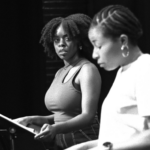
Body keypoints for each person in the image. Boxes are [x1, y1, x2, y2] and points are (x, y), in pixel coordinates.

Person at [65, 5, 150, 150]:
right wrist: (82, 147)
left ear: (123, 41)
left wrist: (104, 149)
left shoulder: (144, 68)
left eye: (98, 46)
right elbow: (118, 139)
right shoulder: (124, 71)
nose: (94, 54)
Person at [14, 14, 101, 150]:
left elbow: (88, 116)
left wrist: (55, 128)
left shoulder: (87, 69)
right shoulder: (60, 73)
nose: (61, 43)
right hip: (59, 144)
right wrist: (32, 119)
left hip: (83, 141)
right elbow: (61, 115)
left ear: (79, 42)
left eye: (67, 38)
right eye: (56, 40)